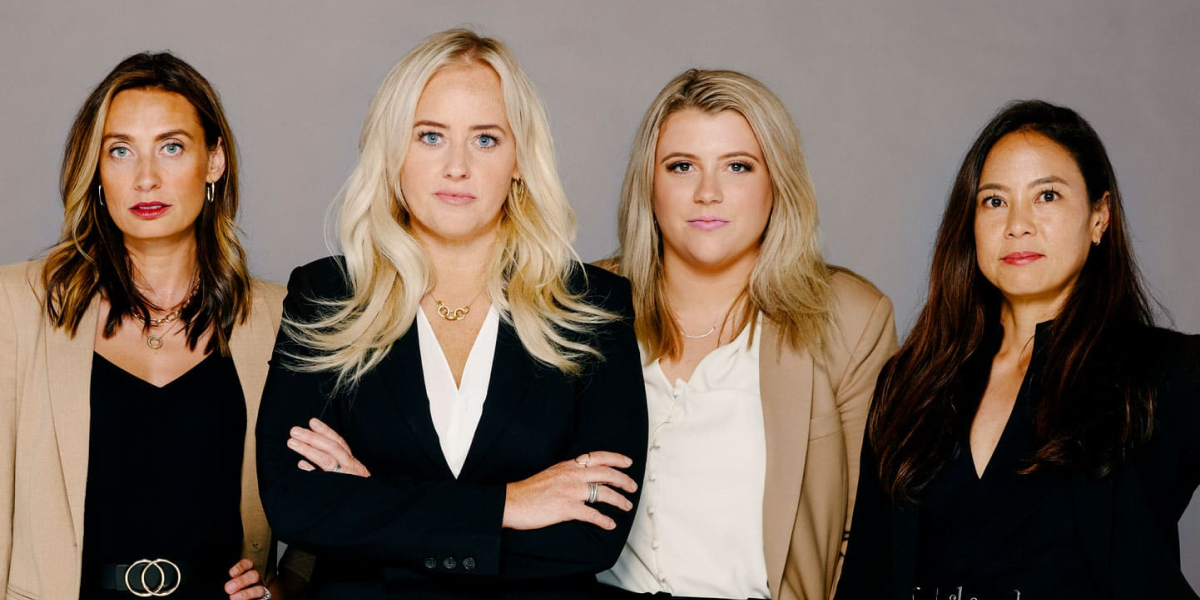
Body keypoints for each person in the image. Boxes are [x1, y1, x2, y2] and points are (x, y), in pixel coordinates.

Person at [255, 29, 648, 599]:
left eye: (485, 139)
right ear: (394, 155)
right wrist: (512, 504)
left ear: (519, 159)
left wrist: (376, 500)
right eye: (430, 136)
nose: (456, 166)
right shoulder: (326, 295)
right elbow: (296, 507)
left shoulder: (594, 307)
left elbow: (593, 536)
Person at [835, 100, 1200, 599]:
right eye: (994, 201)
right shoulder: (910, 383)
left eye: (1047, 195)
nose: (1017, 224)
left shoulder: (1167, 375)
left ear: (1100, 217)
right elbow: (866, 580)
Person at [0, 52, 311, 599]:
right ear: (96, 170)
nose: (146, 178)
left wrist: (287, 584)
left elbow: (343, 484)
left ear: (213, 161)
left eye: (171, 147)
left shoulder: (282, 317)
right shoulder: (16, 306)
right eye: (120, 151)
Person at [595, 69, 898, 600]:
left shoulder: (849, 318)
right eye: (682, 166)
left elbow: (867, 538)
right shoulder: (583, 304)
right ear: (649, 184)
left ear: (776, 181)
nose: (708, 193)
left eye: (737, 167)